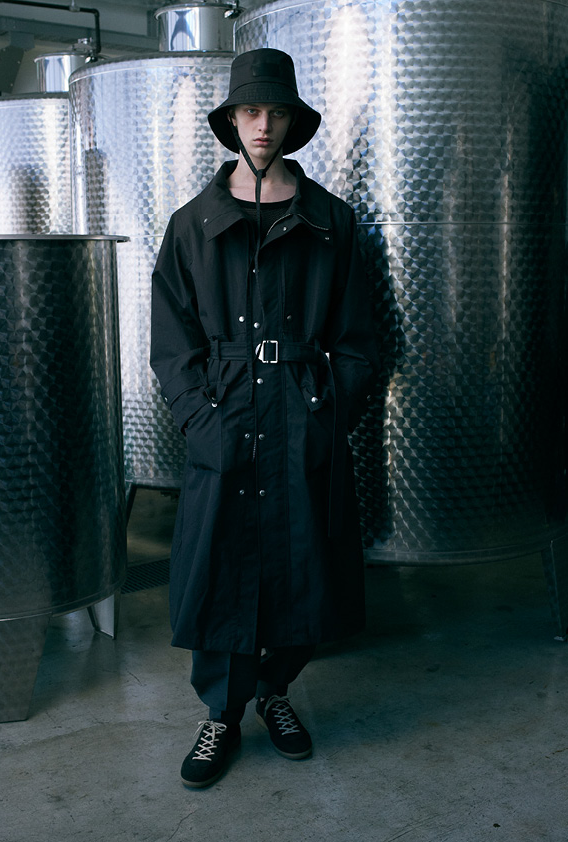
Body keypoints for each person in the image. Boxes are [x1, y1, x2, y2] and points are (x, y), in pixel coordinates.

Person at [150, 48, 378, 788]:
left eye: (276, 111)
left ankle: (276, 691)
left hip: (300, 413)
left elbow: (358, 338)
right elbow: (172, 342)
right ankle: (221, 712)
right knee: (217, 563)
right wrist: (200, 419)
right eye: (250, 110)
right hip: (224, 414)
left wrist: (326, 414)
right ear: (230, 120)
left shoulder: (331, 221)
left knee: (299, 560)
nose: (263, 125)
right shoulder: (192, 224)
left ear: (292, 122)